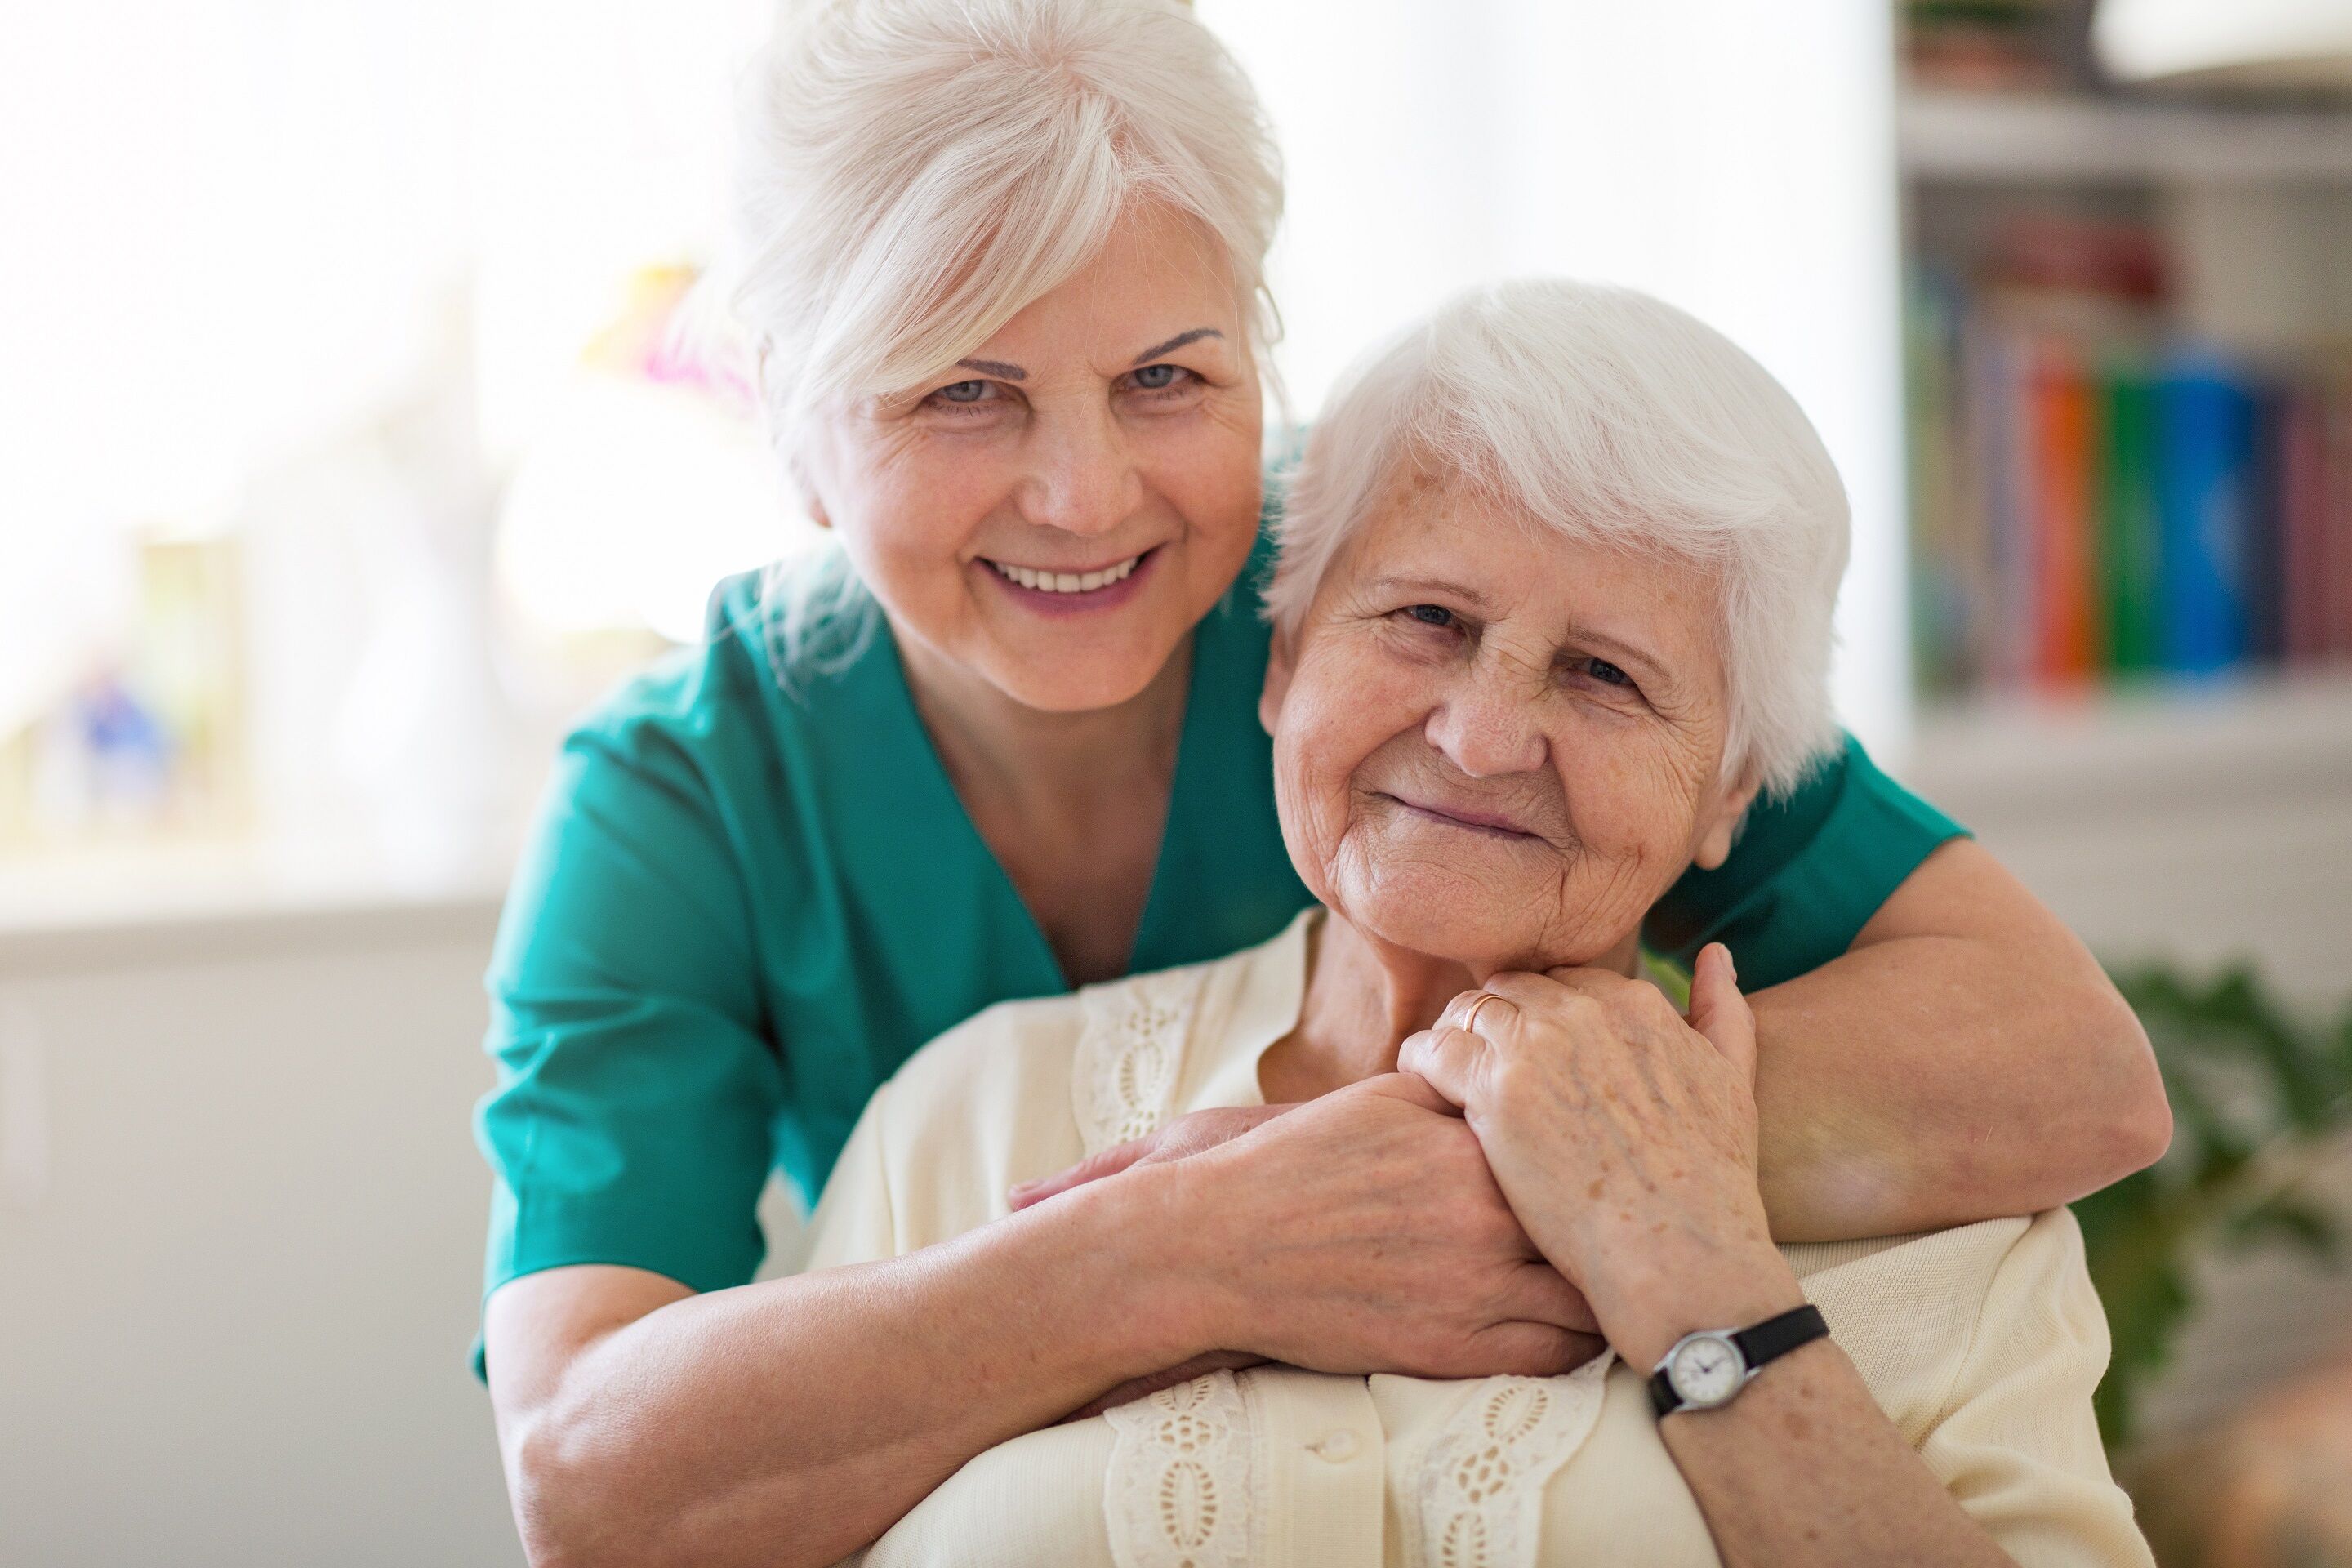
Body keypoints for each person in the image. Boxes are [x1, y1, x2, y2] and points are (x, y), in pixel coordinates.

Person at [476, 3, 2168, 1565]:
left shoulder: (1433, 584)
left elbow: (2068, 1074)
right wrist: (1195, 1246)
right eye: (964, 392)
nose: (1086, 496)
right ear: (792, 419)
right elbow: (588, 1473)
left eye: (1168, 375)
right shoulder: (685, 804)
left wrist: (1510, 1158)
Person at [802, 279, 2156, 1567]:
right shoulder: (967, 1120)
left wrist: (1706, 1295)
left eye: (1606, 675)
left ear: (1730, 795)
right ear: (1281, 664)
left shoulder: (1947, 1227)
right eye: (1428, 619)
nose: (1486, 733)